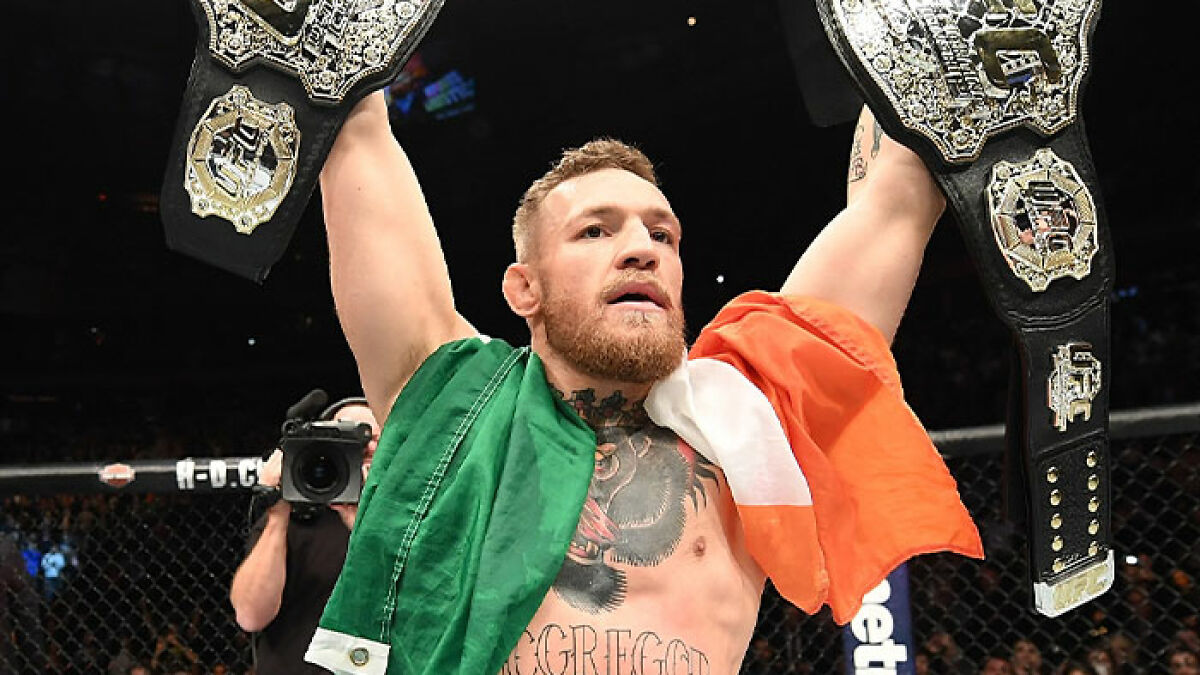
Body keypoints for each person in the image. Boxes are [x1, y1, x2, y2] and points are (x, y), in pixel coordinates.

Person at [305, 89, 982, 674]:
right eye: (595, 231)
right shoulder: (452, 398)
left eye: (663, 234)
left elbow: (899, 194)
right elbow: (352, 122)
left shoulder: (744, 421)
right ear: (524, 288)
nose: (641, 248)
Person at [228, 397, 380, 674]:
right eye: (350, 437)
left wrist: (364, 526)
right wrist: (276, 515)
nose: (364, 447)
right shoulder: (292, 519)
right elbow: (250, 615)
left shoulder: (410, 518)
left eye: (372, 437)